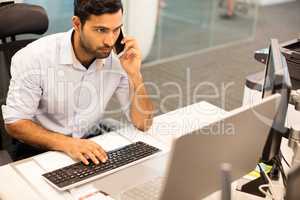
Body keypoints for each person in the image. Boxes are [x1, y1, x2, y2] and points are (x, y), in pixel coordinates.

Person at [1, 0, 154, 165]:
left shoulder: (118, 58)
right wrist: (68, 144)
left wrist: (135, 75)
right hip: (39, 148)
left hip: (88, 143)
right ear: (77, 23)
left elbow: (143, 123)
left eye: (116, 30)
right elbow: (15, 123)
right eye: (101, 30)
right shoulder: (34, 58)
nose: (110, 41)